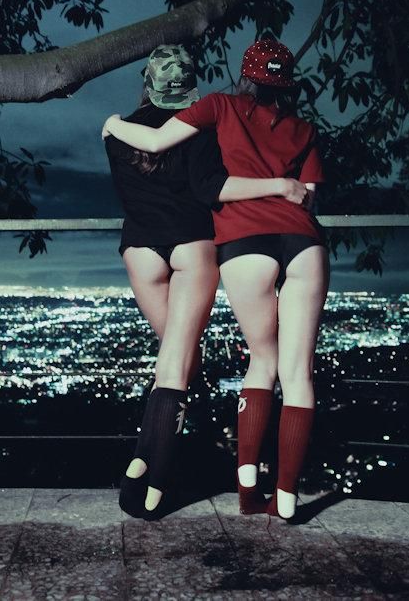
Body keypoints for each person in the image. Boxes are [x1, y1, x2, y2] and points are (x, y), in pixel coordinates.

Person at [103, 39, 328, 521]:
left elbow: (152, 150)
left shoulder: (149, 127)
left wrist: (113, 122)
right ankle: (270, 497)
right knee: (271, 371)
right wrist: (280, 185)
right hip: (241, 244)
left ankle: (200, 475)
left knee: (197, 360)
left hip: (164, 247)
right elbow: (294, 196)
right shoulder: (265, 128)